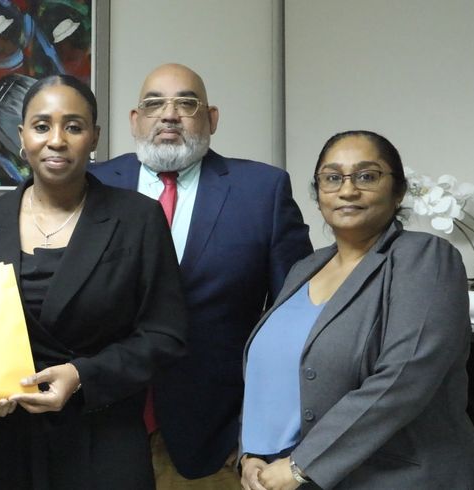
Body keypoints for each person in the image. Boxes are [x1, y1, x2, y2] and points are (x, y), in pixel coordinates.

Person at [0, 74, 189, 489]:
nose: (57, 140)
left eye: (74, 126)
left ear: (94, 136)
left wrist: (83, 376)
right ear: (21, 135)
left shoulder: (137, 218)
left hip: (103, 439)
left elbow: (165, 334)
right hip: (4, 445)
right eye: (42, 125)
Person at [89, 63, 312, 488]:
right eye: (154, 103)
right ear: (135, 121)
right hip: (101, 425)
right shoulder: (95, 184)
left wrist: (264, 436)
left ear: (211, 118)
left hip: (218, 438)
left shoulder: (262, 191)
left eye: (186, 103)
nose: (169, 114)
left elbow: (294, 320)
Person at [239, 130, 474, 490]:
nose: (347, 190)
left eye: (366, 176)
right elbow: (271, 372)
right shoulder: (305, 269)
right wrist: (252, 453)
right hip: (299, 477)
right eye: (332, 178)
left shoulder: (425, 257)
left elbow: (404, 377)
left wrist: (301, 464)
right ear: (318, 195)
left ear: (399, 190)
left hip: (400, 478)